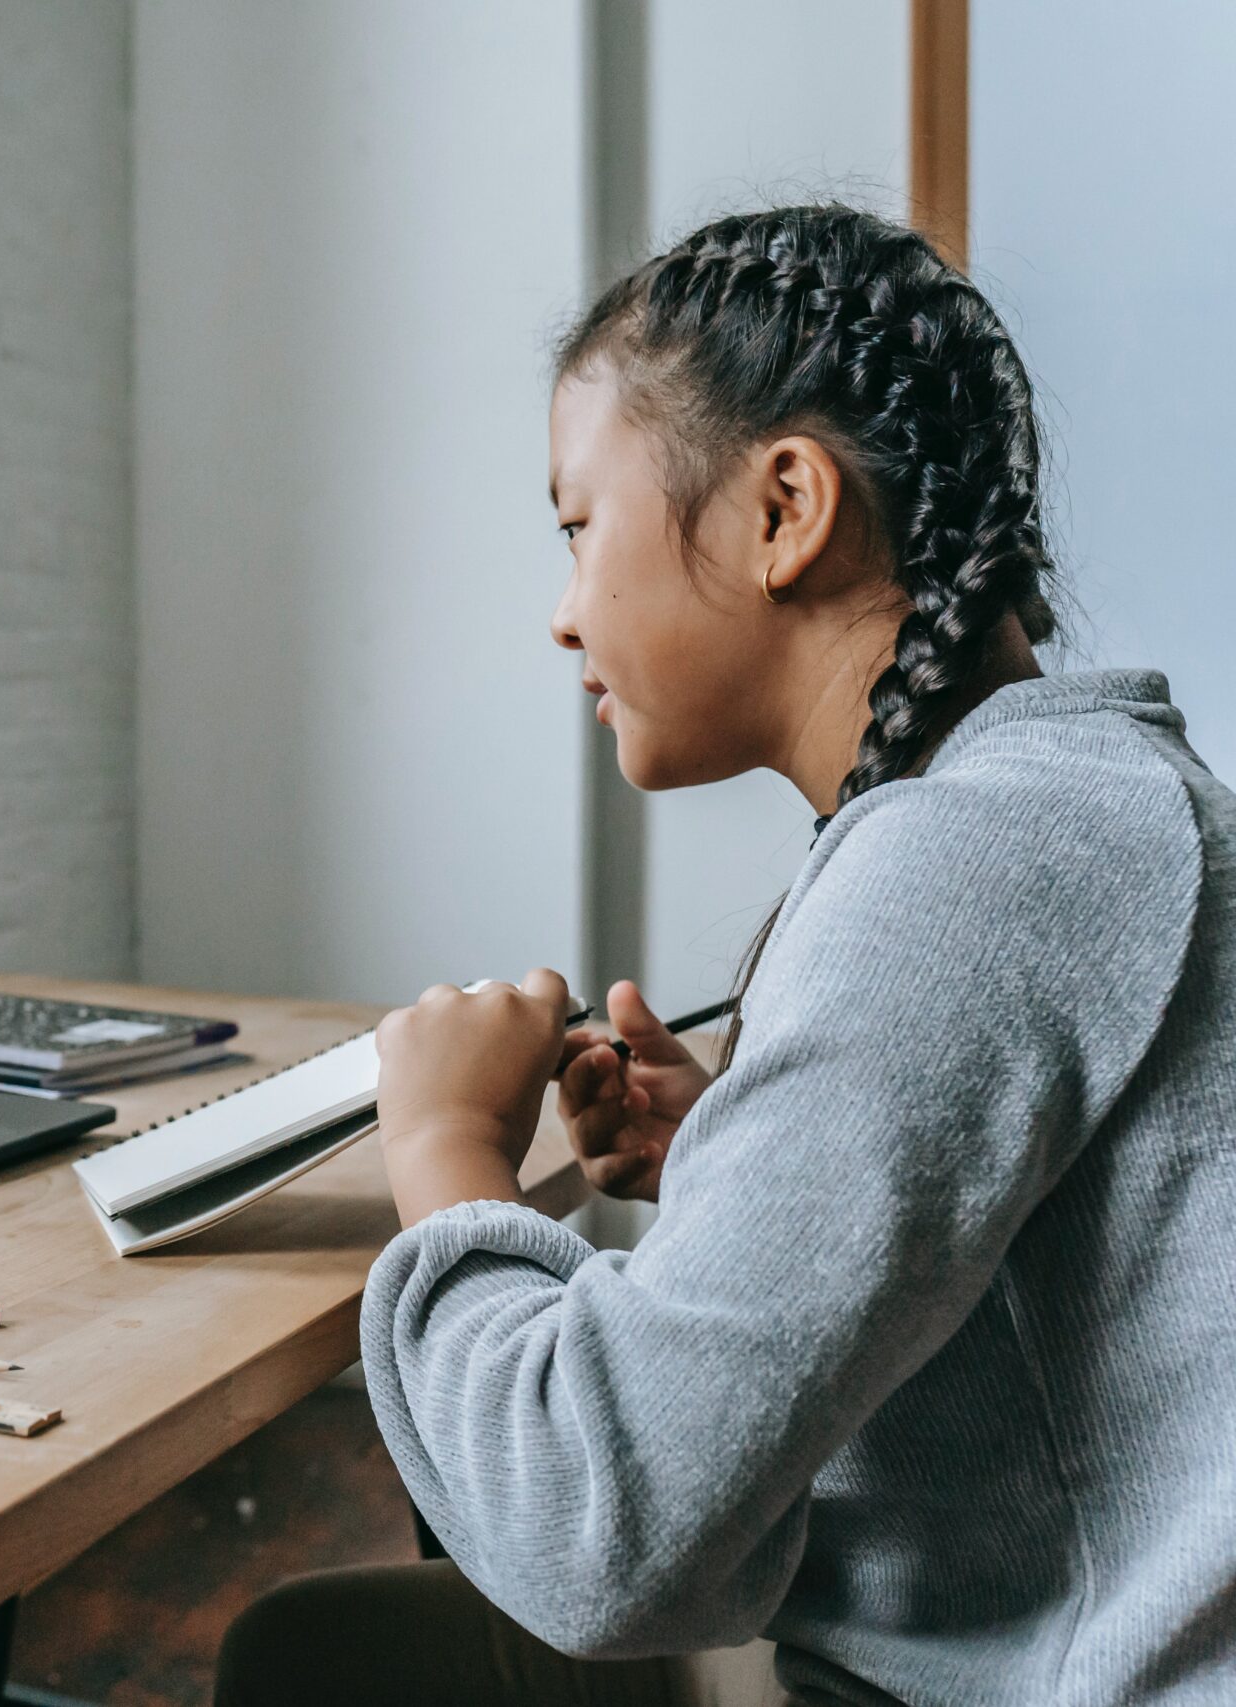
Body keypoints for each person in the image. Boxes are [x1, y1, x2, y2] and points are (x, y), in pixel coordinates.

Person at [217, 206, 1236, 1704]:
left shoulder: (963, 869)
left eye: (578, 528)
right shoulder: (1071, 805)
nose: (564, 616)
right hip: (1035, 1630)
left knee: (316, 1667)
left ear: (783, 509)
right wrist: (750, 1153)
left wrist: (445, 1150)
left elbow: (599, 1534)